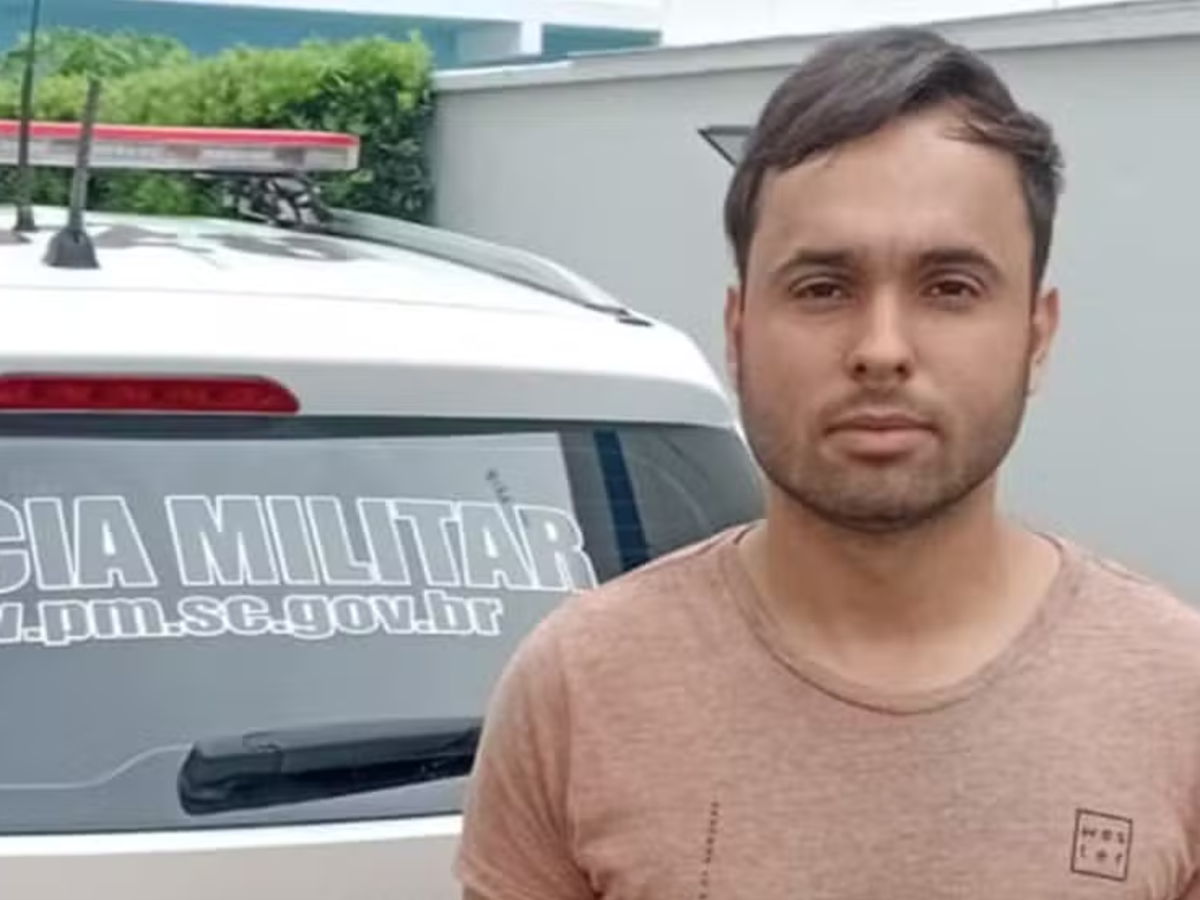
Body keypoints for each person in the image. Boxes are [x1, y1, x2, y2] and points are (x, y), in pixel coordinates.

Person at [454, 24, 1200, 900]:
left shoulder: (1176, 699)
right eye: (823, 288)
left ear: (1037, 336)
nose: (881, 349)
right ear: (738, 333)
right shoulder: (579, 691)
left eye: (950, 287)